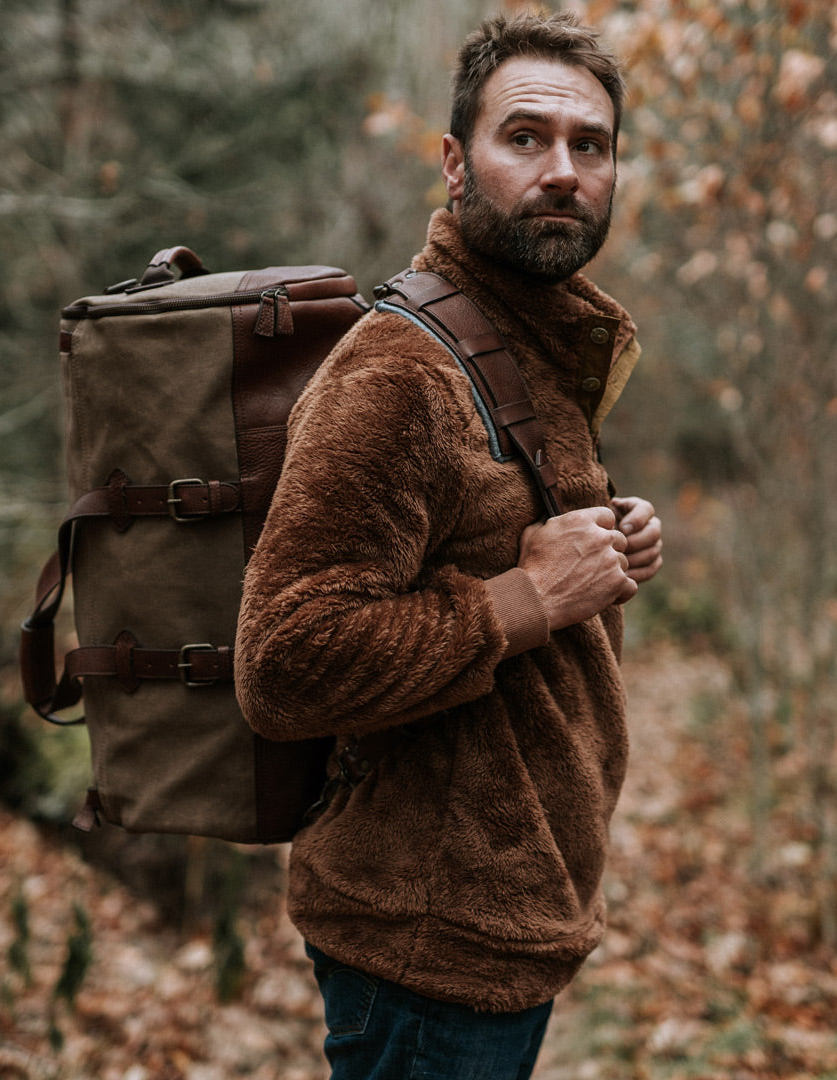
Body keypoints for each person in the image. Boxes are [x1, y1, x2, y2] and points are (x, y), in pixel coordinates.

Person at [235, 11, 663, 1079]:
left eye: (591, 145)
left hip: (503, 917)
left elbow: (489, 542)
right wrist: (525, 600)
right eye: (526, 137)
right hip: (423, 946)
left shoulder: (529, 338)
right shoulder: (399, 372)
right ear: (455, 162)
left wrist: (604, 553)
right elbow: (284, 659)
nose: (563, 170)